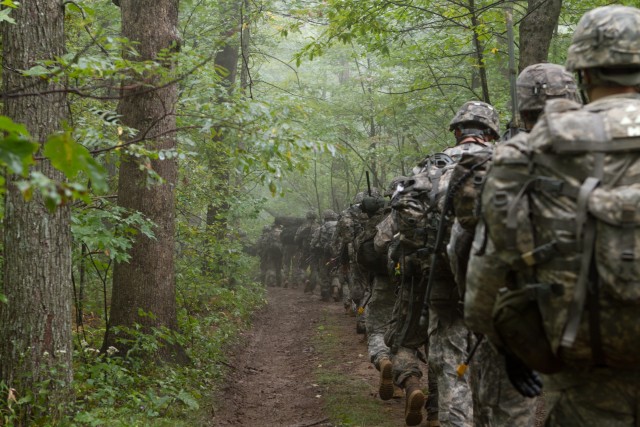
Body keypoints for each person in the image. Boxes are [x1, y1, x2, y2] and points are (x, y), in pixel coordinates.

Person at [464, 5, 640, 426]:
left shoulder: (529, 154)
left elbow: (483, 292)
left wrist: (513, 346)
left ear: (583, 73)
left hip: (585, 369)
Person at [447, 63, 579, 426]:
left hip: (519, 324)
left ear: (522, 111)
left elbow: (465, 252)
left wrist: (494, 334)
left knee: (506, 414)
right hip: (610, 323)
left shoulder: (500, 165)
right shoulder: (619, 151)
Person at [309, 209, 339, 301]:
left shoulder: (321, 228)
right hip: (337, 253)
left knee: (324, 273)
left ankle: (325, 295)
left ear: (324, 218)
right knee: (336, 272)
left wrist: (313, 249)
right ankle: (336, 289)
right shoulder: (339, 225)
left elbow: (313, 243)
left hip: (324, 254)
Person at [294, 210, 319, 291]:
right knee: (314, 268)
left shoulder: (302, 226)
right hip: (315, 250)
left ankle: (305, 280)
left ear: (307, 217)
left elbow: (296, 239)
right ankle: (312, 286)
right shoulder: (319, 226)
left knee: (301, 267)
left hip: (305, 250)